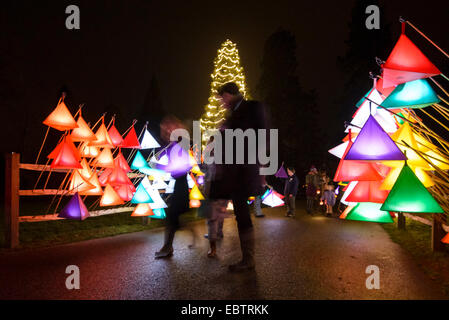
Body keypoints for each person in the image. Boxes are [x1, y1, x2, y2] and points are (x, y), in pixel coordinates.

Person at [209, 82, 269, 272]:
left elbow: (264, 136)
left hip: (245, 169)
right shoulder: (232, 115)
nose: (222, 102)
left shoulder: (252, 107)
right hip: (231, 172)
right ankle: (247, 258)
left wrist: (262, 168)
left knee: (242, 212)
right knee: (238, 211)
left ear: (229, 94)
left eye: (222, 98)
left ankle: (248, 259)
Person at [155, 116, 191, 259]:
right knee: (174, 218)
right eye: (165, 129)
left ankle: (167, 248)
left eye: (170, 129)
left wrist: (162, 166)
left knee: (171, 217)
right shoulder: (174, 146)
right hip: (180, 186)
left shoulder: (178, 146)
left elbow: (181, 168)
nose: (167, 132)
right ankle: (170, 246)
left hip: (181, 186)